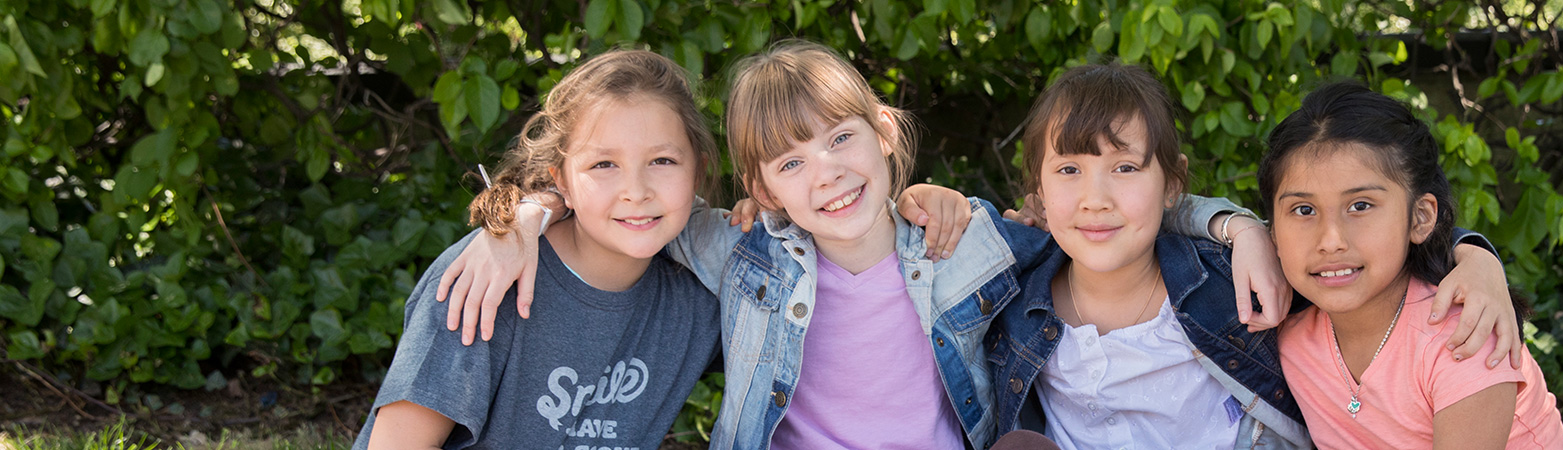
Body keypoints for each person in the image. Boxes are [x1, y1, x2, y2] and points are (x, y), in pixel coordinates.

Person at [435, 40, 1282, 449]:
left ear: (883, 134)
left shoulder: (965, 239)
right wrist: (522, 220)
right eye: (791, 163)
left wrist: (1231, 222)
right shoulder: (747, 257)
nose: (827, 177)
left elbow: (1099, 209)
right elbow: (635, 198)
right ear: (762, 190)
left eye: (842, 140)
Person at [986, 64, 1517, 450]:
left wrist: (1473, 256)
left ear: (1172, 183)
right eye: (1068, 171)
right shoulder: (1008, 288)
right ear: (1037, 189)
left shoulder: (1237, 287)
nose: (1095, 197)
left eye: (1125, 168)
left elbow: (1383, 240)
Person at [355, 49, 725, 450]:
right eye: (604, 164)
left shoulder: (700, 293)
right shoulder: (488, 277)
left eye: (663, 160)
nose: (636, 192)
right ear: (560, 182)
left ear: (699, 172)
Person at [1265, 81, 1563, 449]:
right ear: (1272, 234)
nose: (1331, 241)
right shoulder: (1289, 335)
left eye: (1360, 206)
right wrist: (1235, 228)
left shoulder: (1464, 337)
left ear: (1420, 217)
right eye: (1304, 210)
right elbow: (1177, 213)